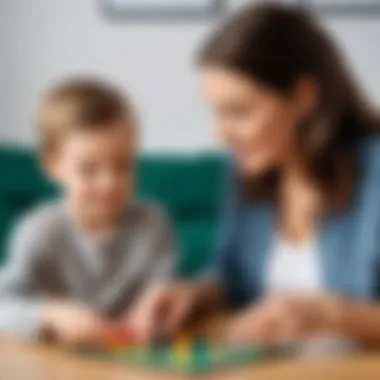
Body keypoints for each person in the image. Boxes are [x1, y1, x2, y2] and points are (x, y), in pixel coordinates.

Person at [129, 3, 380, 349]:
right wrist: (192, 294)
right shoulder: (248, 170)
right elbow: (230, 279)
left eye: (239, 111)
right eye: (217, 112)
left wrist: (329, 313)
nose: (220, 135)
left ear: (304, 97)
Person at [0, 78, 176, 344]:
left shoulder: (153, 223)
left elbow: (165, 292)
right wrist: (50, 315)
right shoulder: (39, 231)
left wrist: (163, 306)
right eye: (89, 170)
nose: (109, 183)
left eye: (122, 165)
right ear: (52, 166)